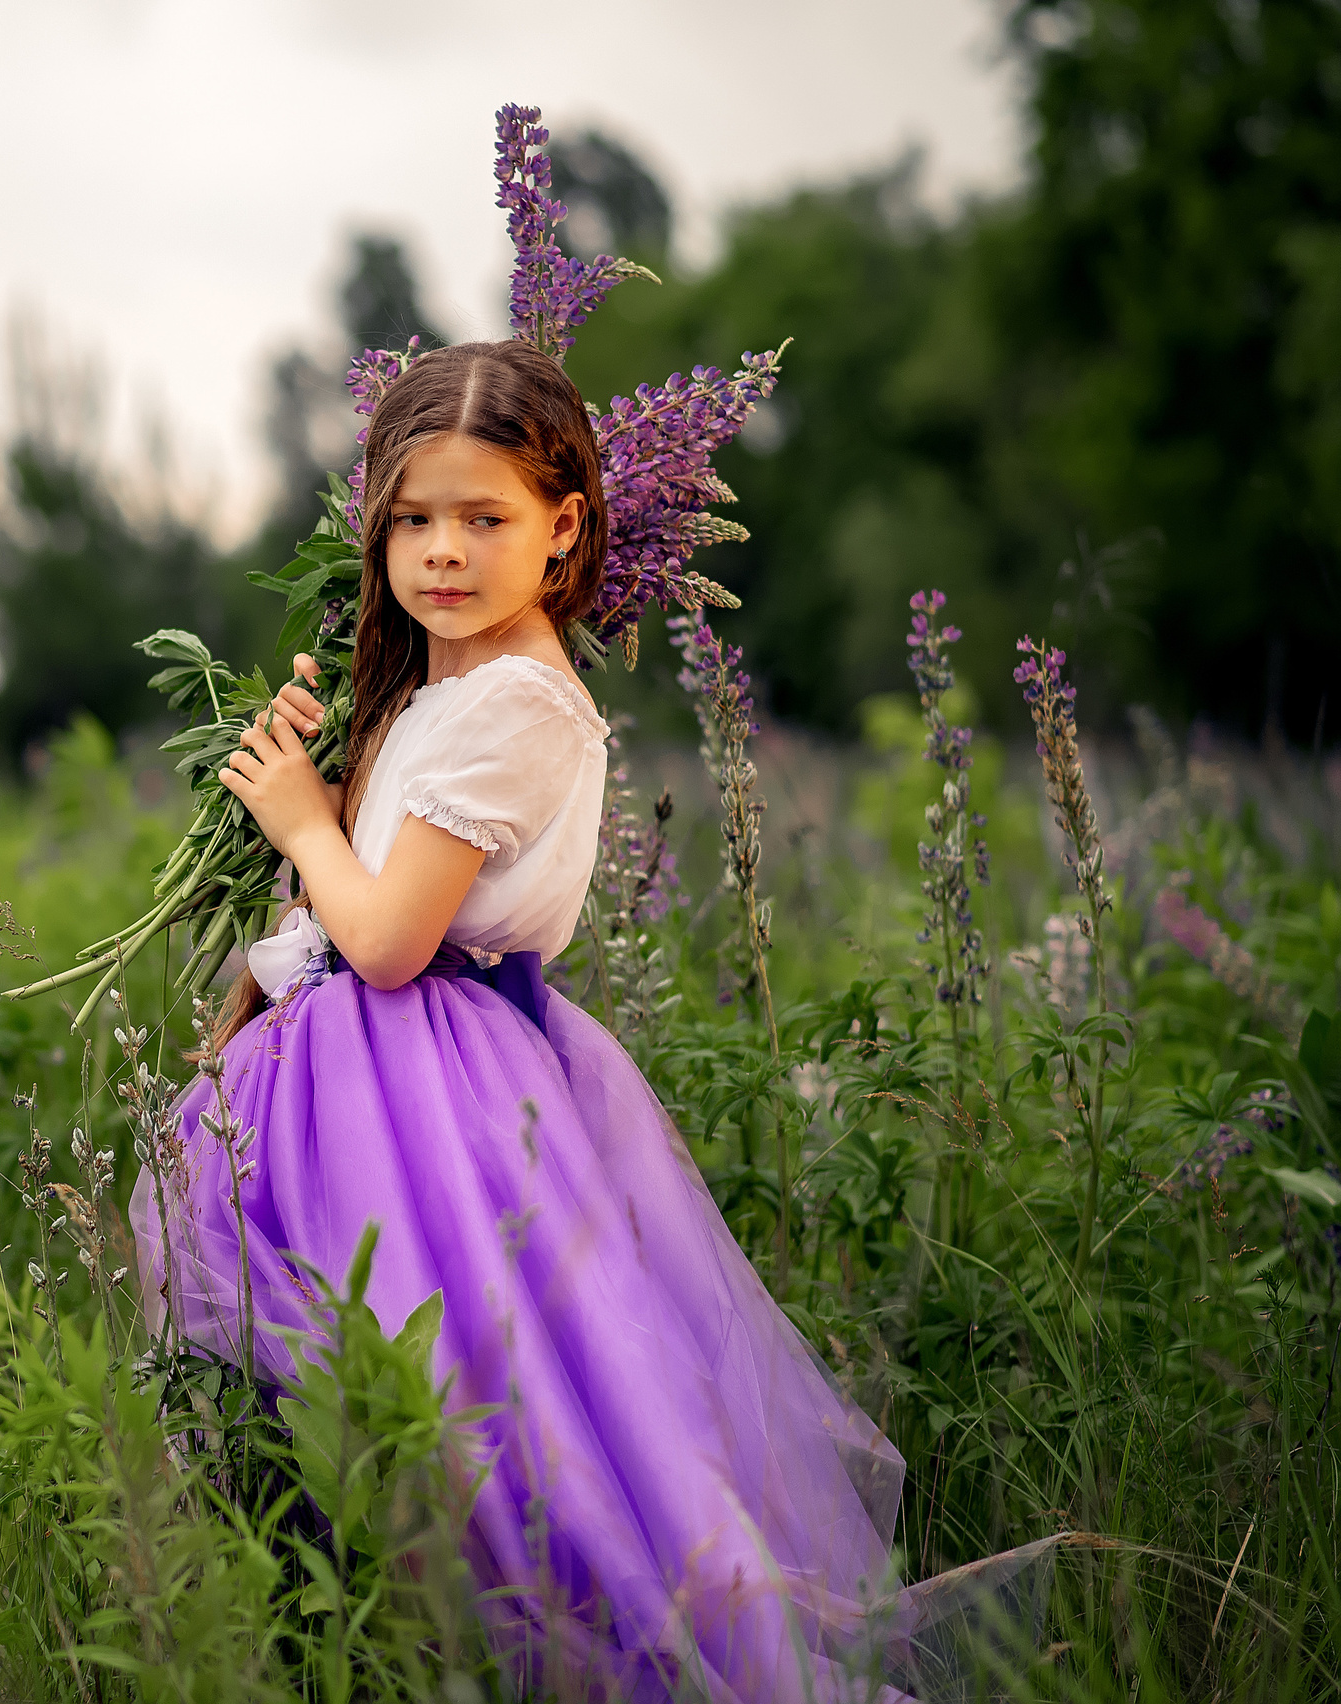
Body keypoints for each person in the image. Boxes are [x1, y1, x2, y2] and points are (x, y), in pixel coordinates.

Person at [130, 339, 1017, 1701]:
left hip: (429, 1089)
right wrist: (323, 781)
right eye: (413, 518)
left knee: (490, 1421)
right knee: (404, 1419)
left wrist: (300, 819)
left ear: (565, 529)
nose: (440, 551)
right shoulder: (459, 682)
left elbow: (383, 940)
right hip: (395, 1078)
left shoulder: (519, 708)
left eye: (484, 519)